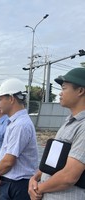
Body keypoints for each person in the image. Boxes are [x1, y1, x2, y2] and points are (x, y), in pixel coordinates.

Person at [28, 68, 85, 200]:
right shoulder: (70, 122)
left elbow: (69, 177)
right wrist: (35, 177)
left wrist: (38, 188)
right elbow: (53, 161)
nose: (60, 94)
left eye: (64, 88)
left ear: (80, 91)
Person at [0, 78, 38, 200]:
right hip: (10, 183)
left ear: (11, 99)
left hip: (18, 186)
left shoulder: (20, 125)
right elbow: (4, 152)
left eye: (0, 99)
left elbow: (9, 161)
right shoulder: (13, 123)